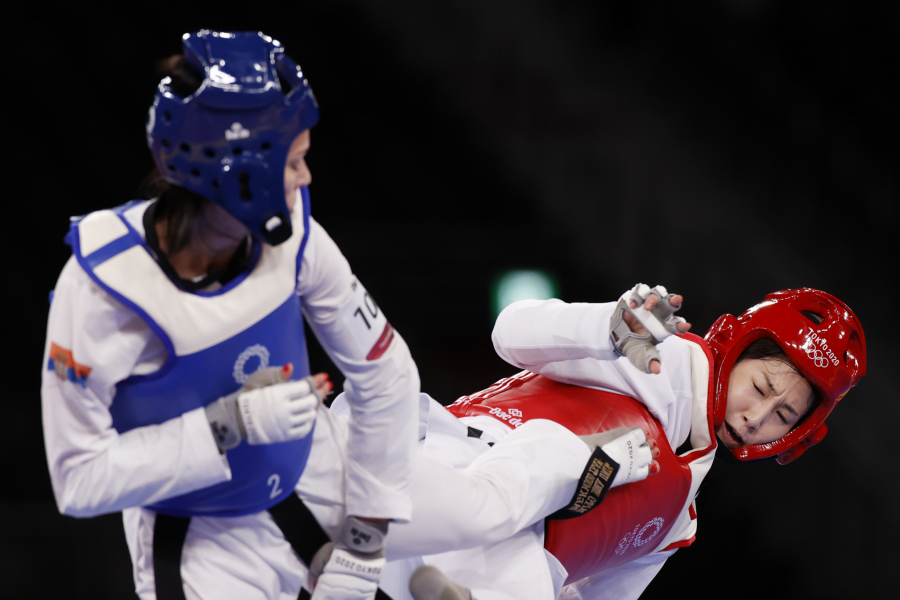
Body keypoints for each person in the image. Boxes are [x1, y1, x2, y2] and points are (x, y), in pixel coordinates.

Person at [42, 30, 423, 600]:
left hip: (312, 480)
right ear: (245, 176)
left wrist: (366, 542)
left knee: (484, 523)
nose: (307, 178)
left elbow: (386, 371)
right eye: (295, 162)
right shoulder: (103, 290)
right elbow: (78, 481)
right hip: (196, 540)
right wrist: (227, 425)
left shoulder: (296, 237)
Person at [295, 284, 865, 600]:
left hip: (485, 570)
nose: (756, 417)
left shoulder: (676, 521)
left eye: (783, 414)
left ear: (798, 435)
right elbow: (508, 331)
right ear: (736, 349)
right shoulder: (655, 352)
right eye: (760, 388)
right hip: (449, 465)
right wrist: (605, 326)